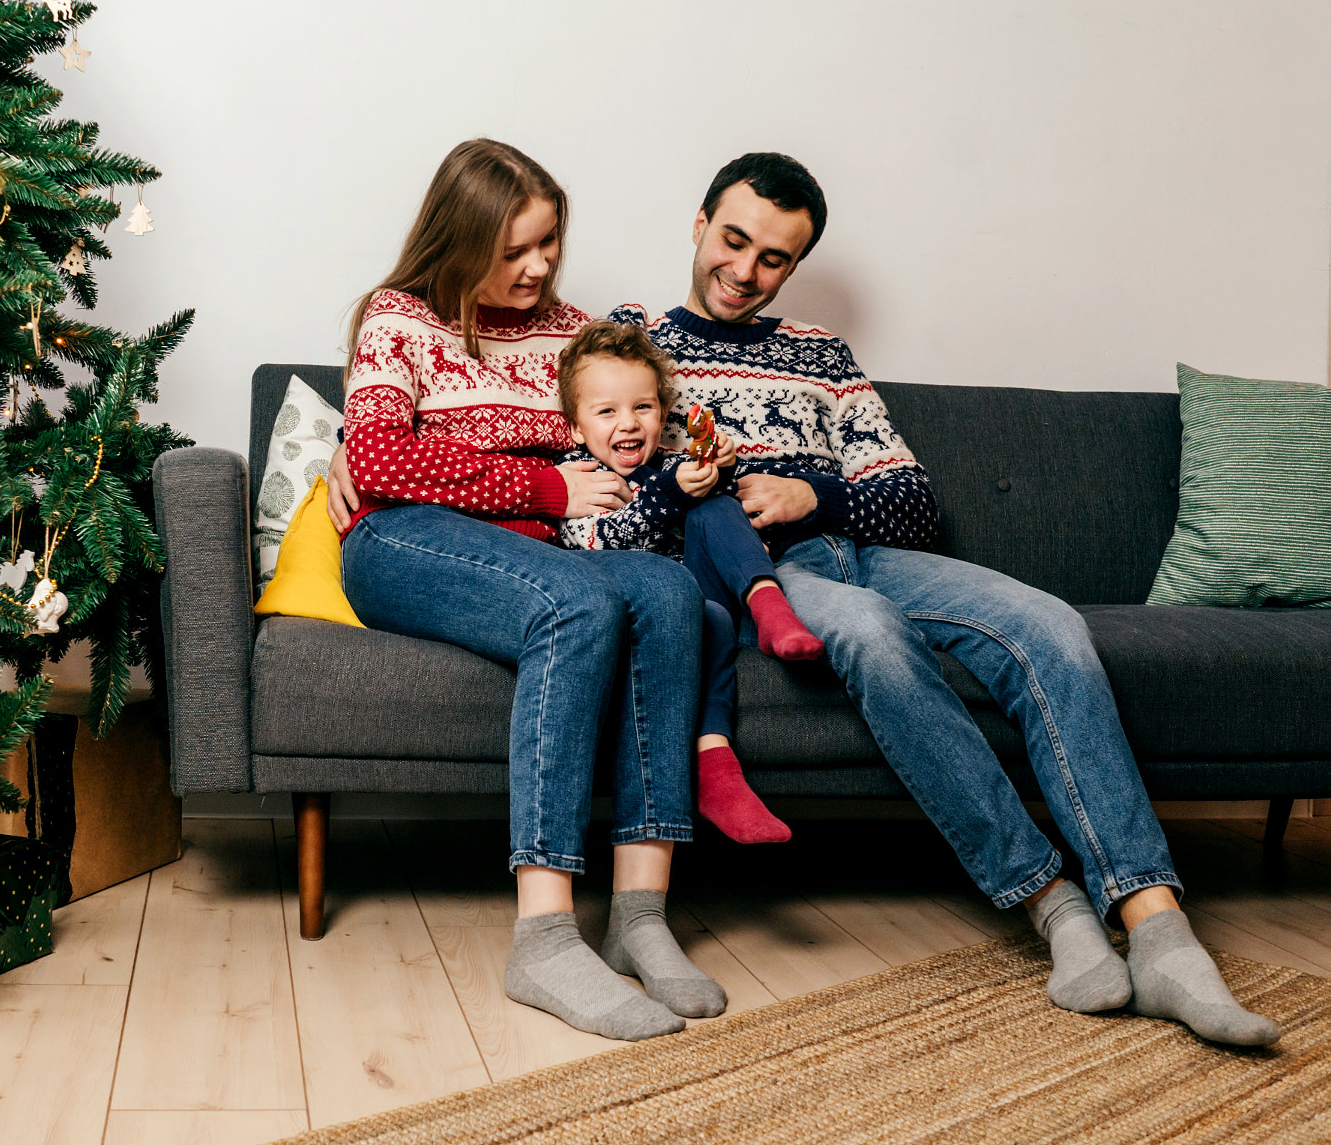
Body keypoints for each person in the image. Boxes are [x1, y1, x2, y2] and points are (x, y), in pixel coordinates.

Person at [603, 150, 1278, 1046]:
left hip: (860, 547)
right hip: (760, 575)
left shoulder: (822, 355)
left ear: (795, 266)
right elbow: (605, 480)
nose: (746, 270)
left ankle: (1159, 929)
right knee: (875, 638)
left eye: (775, 258)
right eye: (734, 241)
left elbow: (912, 501)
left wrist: (816, 493)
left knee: (1050, 625)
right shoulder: (633, 338)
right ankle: (1055, 904)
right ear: (698, 224)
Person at [336, 137, 723, 1041]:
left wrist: (704, 452)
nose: (537, 265)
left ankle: (639, 917)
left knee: (667, 596)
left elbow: (635, 412)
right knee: (575, 603)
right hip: (403, 539)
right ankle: (545, 937)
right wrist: (545, 486)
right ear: (459, 240)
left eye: (548, 242)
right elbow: (383, 454)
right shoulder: (397, 319)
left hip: (536, 547)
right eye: (513, 250)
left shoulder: (568, 331)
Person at [551, 318, 821, 845]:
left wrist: (717, 466)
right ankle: (717, 769)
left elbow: (706, 505)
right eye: (606, 411)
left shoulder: (671, 466)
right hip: (654, 620)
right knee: (710, 617)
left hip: (720, 599)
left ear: (661, 412)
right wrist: (671, 494)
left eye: (642, 408)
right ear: (577, 428)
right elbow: (598, 542)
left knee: (716, 507)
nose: (627, 423)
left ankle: (770, 607)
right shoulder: (578, 477)